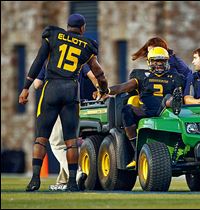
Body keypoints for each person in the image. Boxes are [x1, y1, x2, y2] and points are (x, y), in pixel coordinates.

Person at [18, 13, 109, 192]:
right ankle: (73, 183)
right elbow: (98, 73)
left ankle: (35, 180)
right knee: (71, 142)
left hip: (51, 88)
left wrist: (25, 88)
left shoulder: (53, 35)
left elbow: (38, 62)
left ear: (67, 26)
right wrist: (104, 90)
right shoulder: (87, 46)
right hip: (70, 91)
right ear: (82, 28)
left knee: (41, 138)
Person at [107, 47, 185, 168]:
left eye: (162, 61)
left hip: (167, 112)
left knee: (169, 97)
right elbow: (123, 87)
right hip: (146, 111)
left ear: (167, 62)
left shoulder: (175, 77)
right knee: (127, 109)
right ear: (149, 61)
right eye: (155, 61)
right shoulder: (142, 75)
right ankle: (135, 151)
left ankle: (173, 102)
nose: (159, 64)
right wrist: (107, 90)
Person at [33, 63, 98, 191]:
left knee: (57, 144)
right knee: (69, 144)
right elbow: (92, 75)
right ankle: (63, 181)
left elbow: (36, 84)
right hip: (75, 105)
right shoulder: (78, 59)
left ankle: (78, 173)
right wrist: (99, 90)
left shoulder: (49, 61)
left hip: (56, 104)